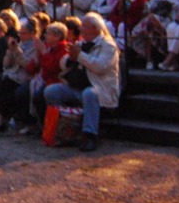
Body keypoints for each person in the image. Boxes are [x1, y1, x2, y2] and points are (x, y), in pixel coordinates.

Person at [43, 12, 122, 152]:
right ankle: (66, 127)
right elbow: (63, 64)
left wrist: (80, 55)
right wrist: (69, 59)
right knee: (51, 91)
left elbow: (100, 67)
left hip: (100, 88)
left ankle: (90, 135)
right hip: (76, 87)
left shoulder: (108, 46)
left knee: (89, 94)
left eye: (84, 26)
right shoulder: (81, 43)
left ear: (94, 28)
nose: (80, 28)